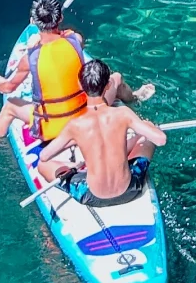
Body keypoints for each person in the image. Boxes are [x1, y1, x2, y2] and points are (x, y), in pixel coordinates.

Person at [0, 0, 154, 149]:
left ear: (34, 22)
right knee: (115, 78)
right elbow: (64, 40)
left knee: (9, 107)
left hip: (51, 127)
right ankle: (134, 98)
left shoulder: (30, 58)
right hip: (84, 115)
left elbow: (9, 88)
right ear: (60, 17)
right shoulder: (76, 41)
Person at [37, 58, 167, 207]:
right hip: (130, 190)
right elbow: (160, 139)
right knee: (148, 132)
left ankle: (76, 166)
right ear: (109, 84)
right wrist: (142, 129)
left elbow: (45, 156)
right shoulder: (123, 113)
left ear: (80, 85)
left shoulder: (76, 125)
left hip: (92, 197)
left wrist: (75, 148)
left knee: (42, 165)